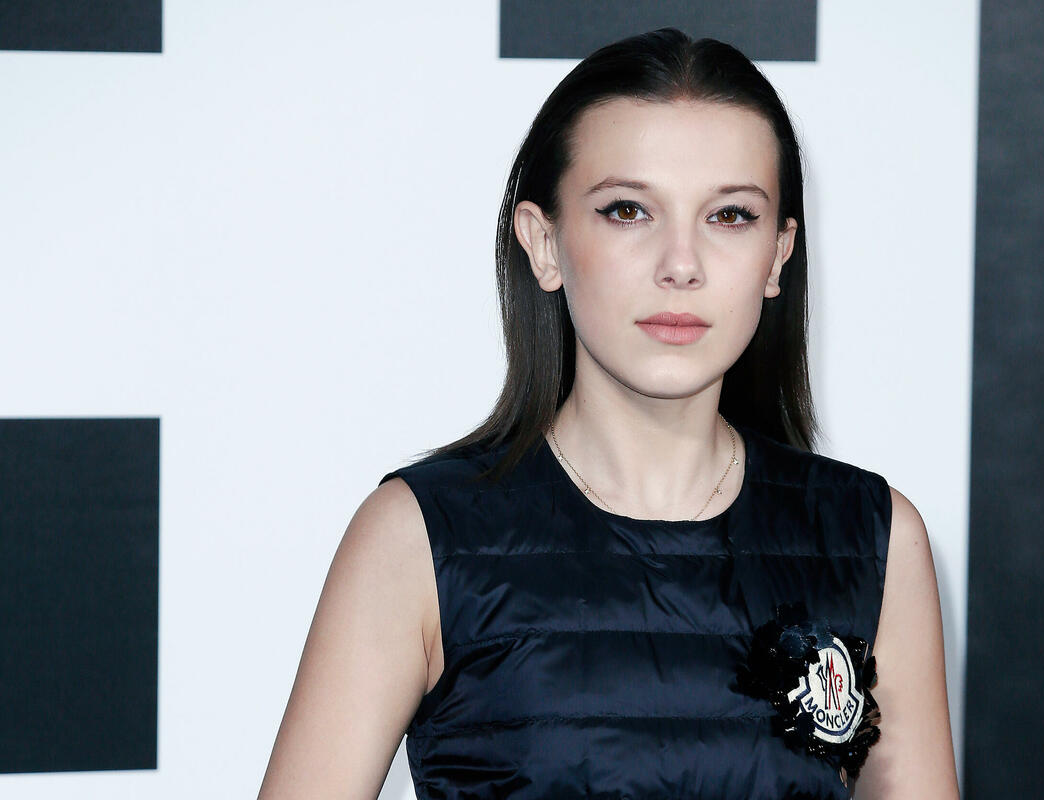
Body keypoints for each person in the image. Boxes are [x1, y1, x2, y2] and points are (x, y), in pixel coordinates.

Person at [259, 27, 958, 799]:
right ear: (544, 243)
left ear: (778, 257)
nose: (681, 265)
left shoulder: (872, 538)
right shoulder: (415, 538)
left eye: (730, 216)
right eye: (628, 210)